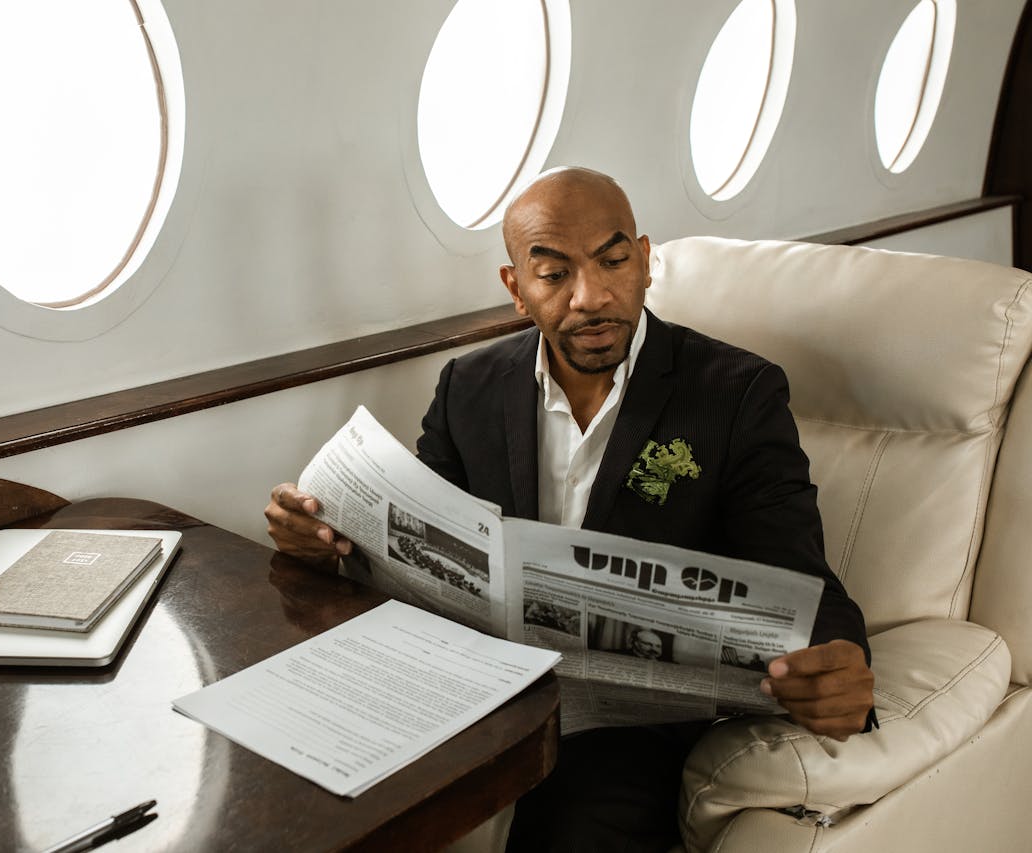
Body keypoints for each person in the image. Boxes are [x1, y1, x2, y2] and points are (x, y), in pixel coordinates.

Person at [265, 167, 874, 851]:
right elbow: (418, 543)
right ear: (516, 288)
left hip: (625, 722)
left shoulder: (736, 393)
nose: (592, 296)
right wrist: (323, 542)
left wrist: (842, 662)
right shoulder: (469, 385)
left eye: (613, 262)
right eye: (554, 274)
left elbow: (800, 575)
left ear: (645, 260)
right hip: (478, 678)